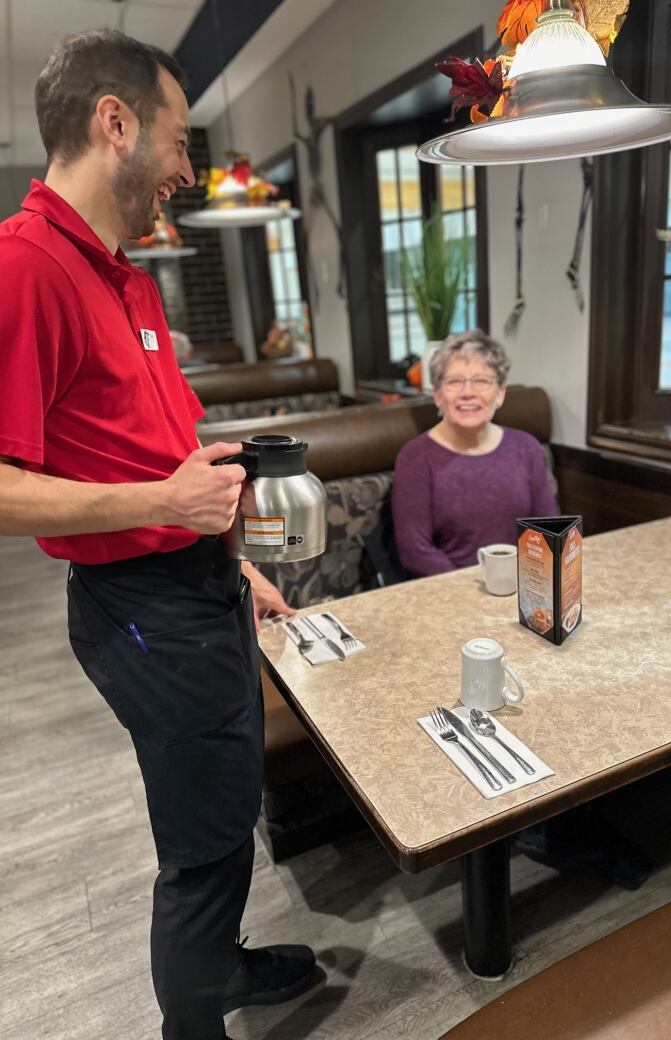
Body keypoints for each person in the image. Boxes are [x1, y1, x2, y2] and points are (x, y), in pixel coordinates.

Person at [0, 31, 315, 1040]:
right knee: (204, 838)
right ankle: (194, 1016)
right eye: (181, 142)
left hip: (195, 586)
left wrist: (237, 565)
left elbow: (163, 451)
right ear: (115, 122)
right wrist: (160, 508)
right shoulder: (23, 268)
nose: (187, 169)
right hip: (140, 610)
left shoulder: (126, 276)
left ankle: (220, 965)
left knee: (228, 803)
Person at [392, 329, 557, 576]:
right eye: (455, 382)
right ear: (437, 395)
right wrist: (474, 590)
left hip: (524, 585)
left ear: (500, 393)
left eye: (481, 381)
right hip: (448, 591)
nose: (468, 392)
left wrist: (527, 585)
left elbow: (546, 530)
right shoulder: (415, 457)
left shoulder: (527, 447)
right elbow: (416, 552)